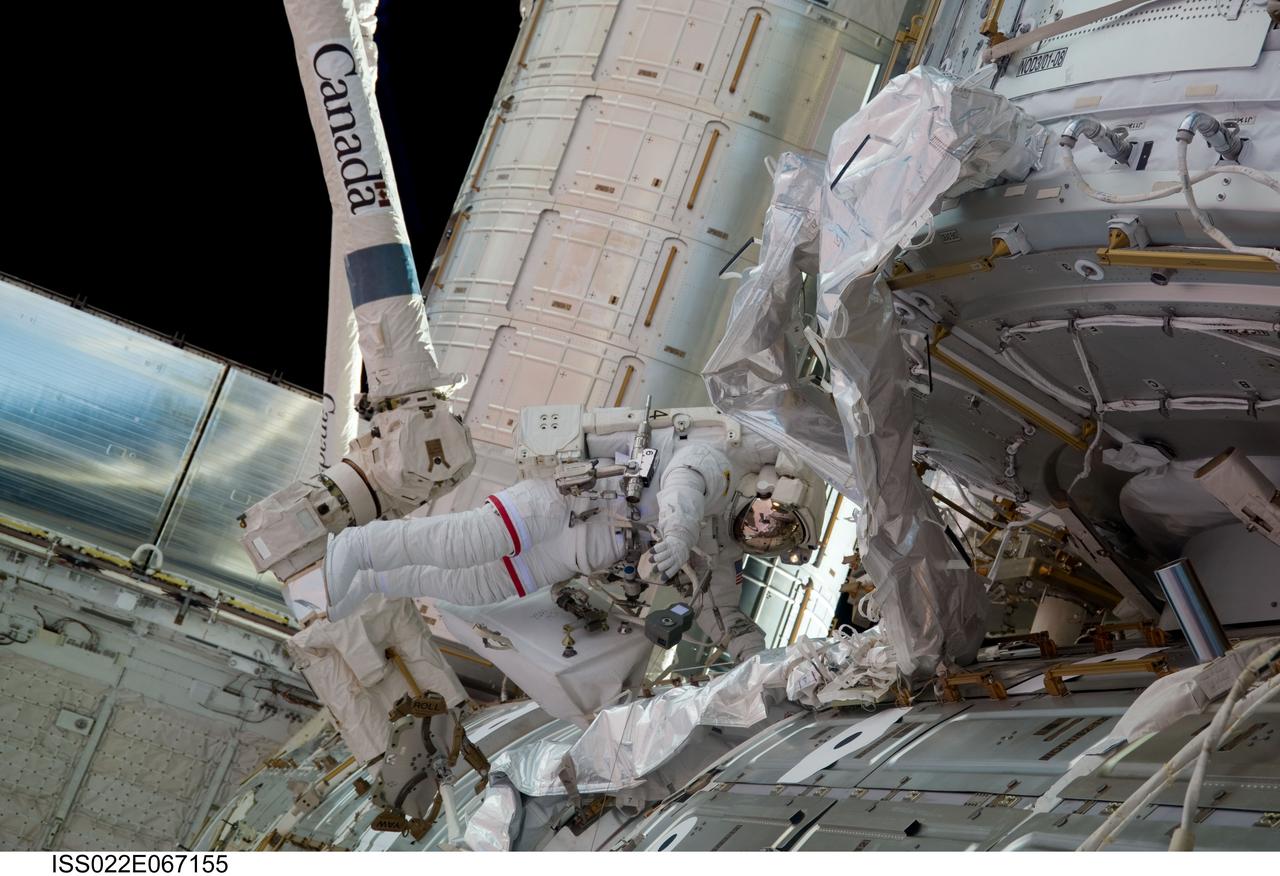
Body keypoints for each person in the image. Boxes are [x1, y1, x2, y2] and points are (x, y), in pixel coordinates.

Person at [322, 421, 824, 664]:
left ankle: (373, 580)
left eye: (777, 538)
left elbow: (723, 616)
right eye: (772, 518)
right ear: (765, 491)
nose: (763, 533)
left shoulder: (721, 554)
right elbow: (683, 483)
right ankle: (357, 547)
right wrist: (676, 533)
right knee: (465, 542)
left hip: (576, 553)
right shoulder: (721, 468)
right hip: (566, 502)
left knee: (472, 587)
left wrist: (764, 663)